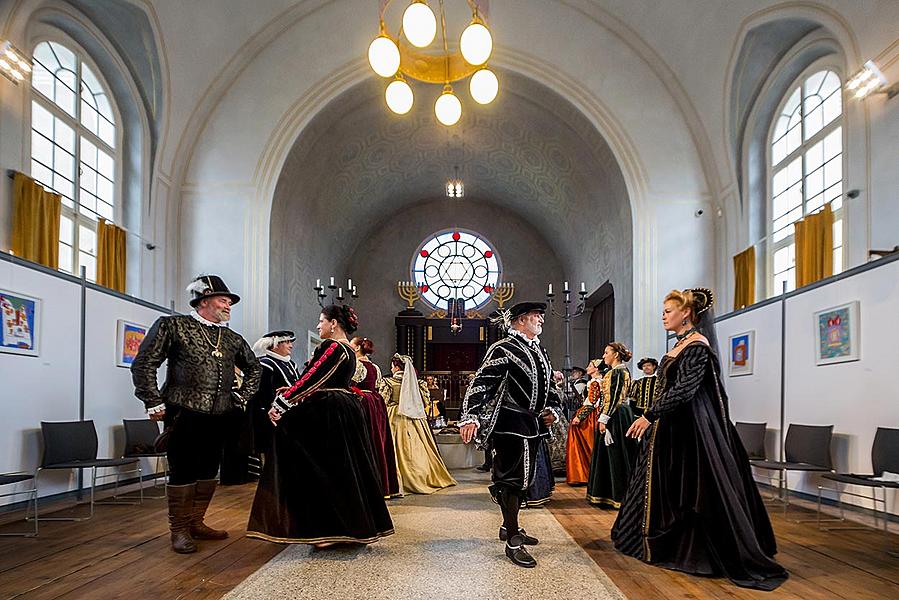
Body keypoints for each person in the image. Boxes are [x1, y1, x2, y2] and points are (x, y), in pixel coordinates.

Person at [612, 289, 788, 590]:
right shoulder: (681, 344)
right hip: (673, 426)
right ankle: (649, 542)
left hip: (691, 430)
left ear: (688, 314)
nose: (664, 315)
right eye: (664, 310)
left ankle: (695, 553)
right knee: (660, 485)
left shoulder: (697, 347)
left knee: (692, 489)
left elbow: (684, 390)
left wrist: (649, 415)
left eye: (669, 310)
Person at [131, 274, 261, 554]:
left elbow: (254, 368)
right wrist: (152, 400)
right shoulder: (173, 326)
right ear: (204, 301)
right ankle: (178, 530)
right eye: (223, 300)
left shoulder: (231, 338)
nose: (229, 305)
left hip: (221, 414)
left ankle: (196, 522)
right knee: (183, 469)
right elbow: (144, 362)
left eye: (230, 302)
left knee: (208, 470)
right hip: (183, 411)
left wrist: (241, 397)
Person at [246, 305, 394, 546]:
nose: (318, 326)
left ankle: (320, 527)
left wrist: (283, 403)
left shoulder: (333, 346)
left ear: (334, 323)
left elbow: (312, 377)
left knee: (312, 461)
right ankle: (344, 527)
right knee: (340, 469)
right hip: (343, 408)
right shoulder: (348, 350)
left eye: (321, 321)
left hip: (329, 411)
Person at [459, 301, 561, 568]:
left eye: (540, 316)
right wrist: (470, 416)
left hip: (534, 426)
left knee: (523, 480)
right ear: (520, 320)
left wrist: (552, 408)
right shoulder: (503, 348)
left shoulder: (539, 350)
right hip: (509, 424)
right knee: (511, 481)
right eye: (536, 316)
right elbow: (482, 382)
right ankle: (513, 541)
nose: (541, 320)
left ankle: (509, 526)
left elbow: (549, 385)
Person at [378, 354, 456, 494]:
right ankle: (421, 474)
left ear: (396, 367)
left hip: (394, 416)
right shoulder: (418, 384)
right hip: (414, 417)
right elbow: (425, 402)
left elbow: (383, 401)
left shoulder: (388, 382)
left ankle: (396, 479)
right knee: (419, 446)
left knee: (394, 447)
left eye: (392, 365)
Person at [585, 342, 637, 508]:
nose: (604, 356)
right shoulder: (617, 371)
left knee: (616, 453)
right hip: (618, 413)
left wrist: (604, 419)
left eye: (606, 352)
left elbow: (613, 398)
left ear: (616, 354)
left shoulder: (618, 372)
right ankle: (608, 494)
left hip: (615, 416)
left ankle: (618, 495)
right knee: (611, 454)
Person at [349, 336, 401, 499]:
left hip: (361, 402)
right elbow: (377, 386)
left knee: (364, 440)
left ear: (357, 348)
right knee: (376, 440)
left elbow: (351, 384)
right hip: (375, 403)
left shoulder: (357, 365)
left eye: (351, 345)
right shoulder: (375, 367)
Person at [566, 359, 602, 485]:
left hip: (591, 416)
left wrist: (579, 417)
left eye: (590, 366)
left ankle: (583, 475)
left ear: (596, 369)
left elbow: (592, 403)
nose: (587, 368)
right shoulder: (594, 382)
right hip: (592, 414)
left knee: (586, 443)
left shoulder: (595, 382)